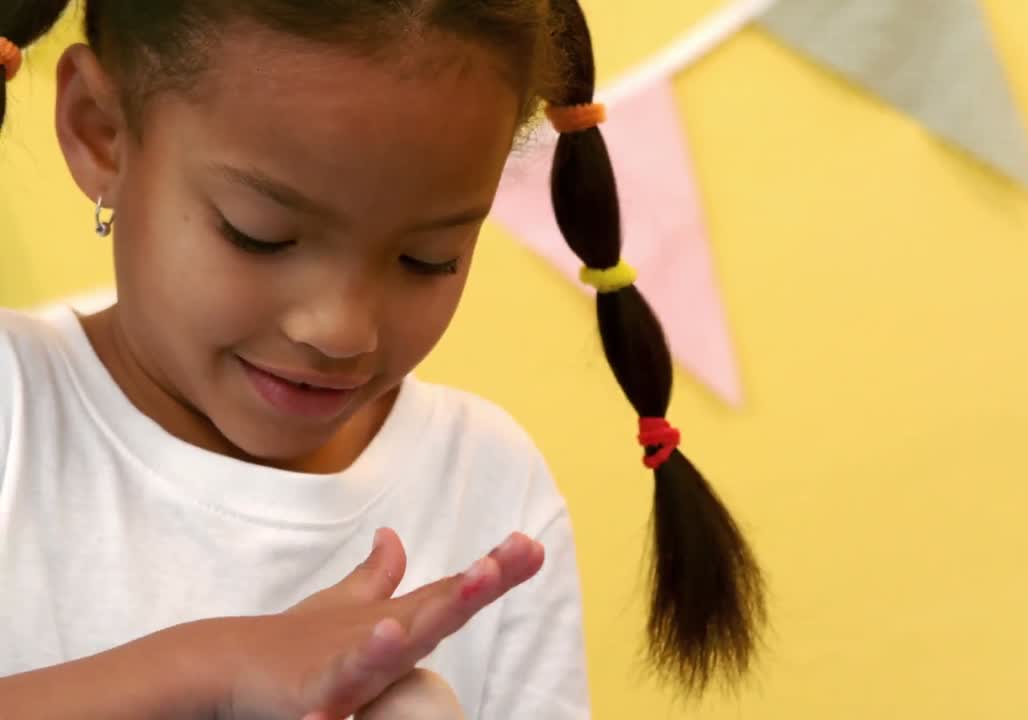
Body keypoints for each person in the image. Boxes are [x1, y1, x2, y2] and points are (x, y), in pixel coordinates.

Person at [0, 1, 765, 717]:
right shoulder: (15, 413)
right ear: (100, 130)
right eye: (260, 234)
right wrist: (218, 666)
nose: (342, 331)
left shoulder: (491, 487)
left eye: (427, 258)